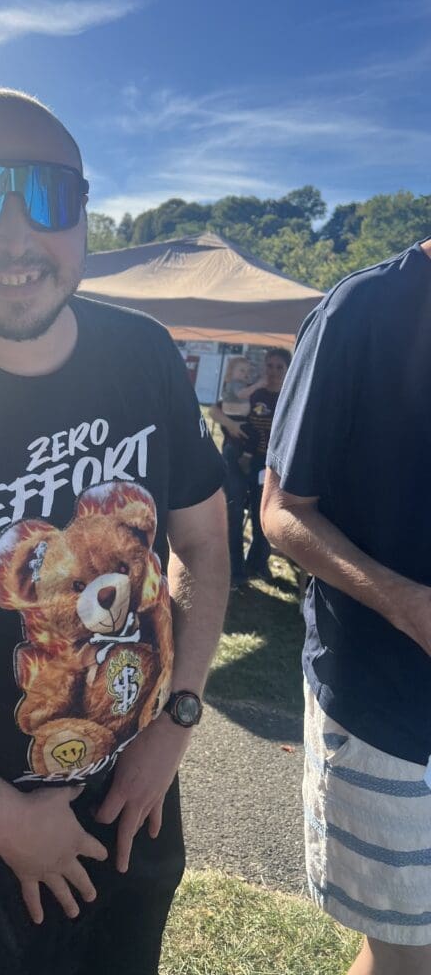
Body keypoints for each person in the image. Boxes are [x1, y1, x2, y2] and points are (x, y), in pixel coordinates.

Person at [0, 88, 229, 975]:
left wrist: (174, 727)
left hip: (140, 792)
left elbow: (206, 550)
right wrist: (10, 826)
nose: (19, 235)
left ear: (84, 212)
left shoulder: (143, 353)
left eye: (50, 196)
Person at [261, 238, 431, 975]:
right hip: (387, 708)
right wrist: (408, 603)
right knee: (406, 951)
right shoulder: (363, 309)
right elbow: (282, 511)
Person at [209, 356, 264, 586]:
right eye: (241, 370)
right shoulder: (235, 388)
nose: (244, 375)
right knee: (234, 507)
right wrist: (230, 424)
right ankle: (236, 571)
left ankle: (254, 564)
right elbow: (214, 410)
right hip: (235, 449)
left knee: (255, 512)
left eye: (246, 371)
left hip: (254, 457)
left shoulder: (246, 390)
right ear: (231, 374)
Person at [243, 348, 290, 581]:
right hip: (253, 459)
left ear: (287, 370)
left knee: (265, 514)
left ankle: (258, 562)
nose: (273, 371)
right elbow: (223, 407)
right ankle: (250, 562)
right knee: (252, 509)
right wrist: (256, 386)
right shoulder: (254, 394)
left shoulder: (290, 397)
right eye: (269, 366)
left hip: (277, 465)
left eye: (279, 367)